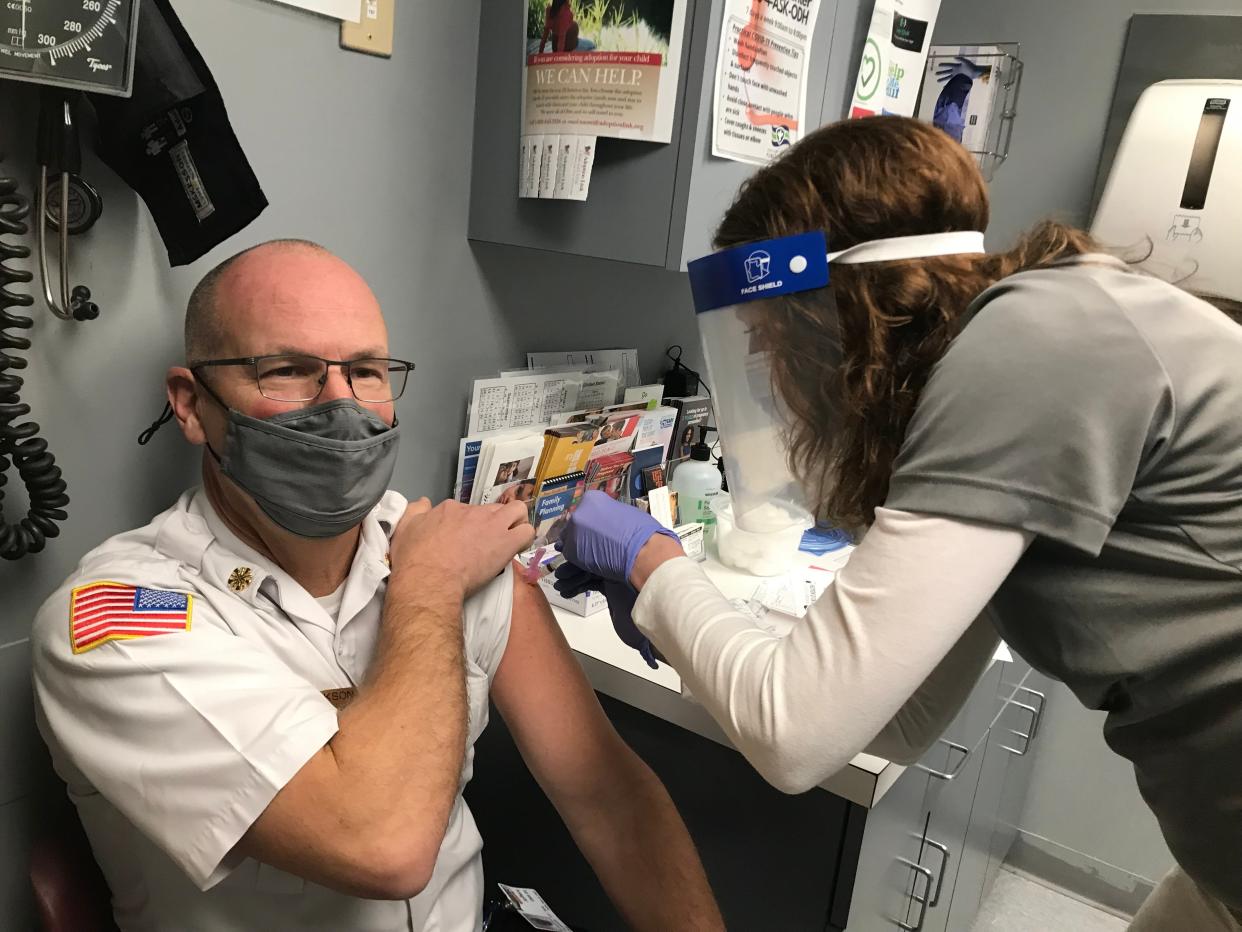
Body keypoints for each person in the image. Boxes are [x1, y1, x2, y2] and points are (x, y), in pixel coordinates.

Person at [554, 116, 1242, 931]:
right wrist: (683, 624)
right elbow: (894, 720)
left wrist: (653, 563)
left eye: (767, 339)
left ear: (833, 314)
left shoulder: (1029, 351)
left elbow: (794, 735)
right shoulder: (1028, 343)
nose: (773, 375)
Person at [31, 240, 723, 932]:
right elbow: (382, 845)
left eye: (365, 371)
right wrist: (428, 586)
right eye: (288, 371)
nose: (341, 408)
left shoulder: (443, 551)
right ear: (190, 404)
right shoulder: (113, 622)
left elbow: (608, 797)